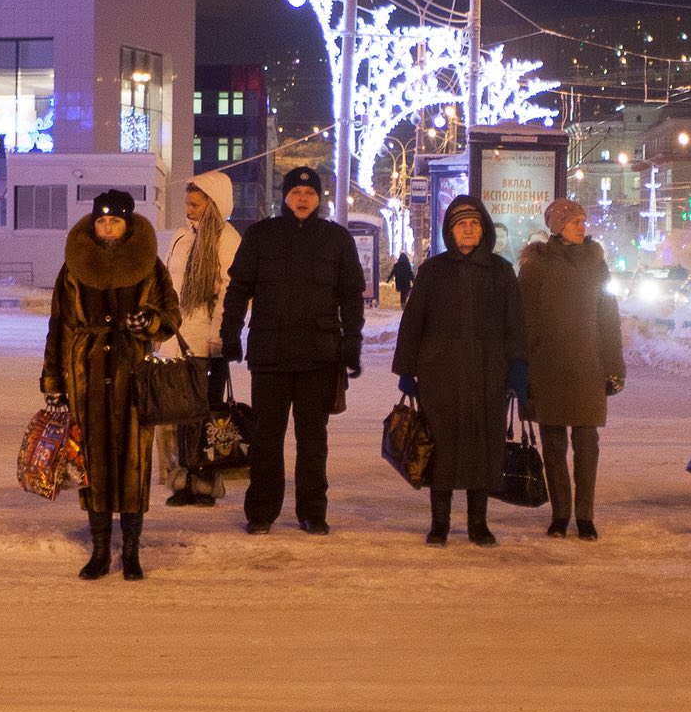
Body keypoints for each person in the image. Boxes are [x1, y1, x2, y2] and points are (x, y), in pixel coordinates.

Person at [41, 190, 181, 581]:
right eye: (102, 221)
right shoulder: (73, 268)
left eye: (114, 221)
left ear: (128, 224)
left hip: (133, 372)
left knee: (134, 461)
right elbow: (58, 327)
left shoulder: (150, 266)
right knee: (94, 462)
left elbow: (172, 315)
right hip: (85, 374)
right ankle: (100, 548)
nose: (107, 227)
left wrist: (148, 323)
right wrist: (54, 381)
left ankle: (132, 550)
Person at [220, 166, 365, 535]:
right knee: (266, 438)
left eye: (310, 194)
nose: (303, 199)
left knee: (313, 440)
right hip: (270, 354)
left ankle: (313, 512)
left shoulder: (336, 240)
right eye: (297, 193)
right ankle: (262, 511)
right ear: (284, 196)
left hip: (319, 355)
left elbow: (351, 296)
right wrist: (230, 333)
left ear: (319, 199)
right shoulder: (260, 236)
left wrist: (352, 342)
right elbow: (238, 289)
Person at [392, 195, 528, 546]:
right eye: (460, 224)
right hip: (441, 375)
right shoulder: (433, 271)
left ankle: (478, 524)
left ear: (483, 229)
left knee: (483, 447)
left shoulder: (501, 271)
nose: (467, 229)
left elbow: (515, 324)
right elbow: (413, 324)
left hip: (488, 374)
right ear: (450, 231)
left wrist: (516, 368)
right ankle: (439, 524)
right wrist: (407, 370)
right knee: (442, 447)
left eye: (473, 223)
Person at [516, 197, 624, 541]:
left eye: (583, 221)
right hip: (547, 366)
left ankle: (585, 516)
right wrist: (522, 369)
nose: (583, 227)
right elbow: (525, 321)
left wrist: (614, 365)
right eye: (576, 221)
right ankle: (560, 514)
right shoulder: (536, 265)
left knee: (587, 443)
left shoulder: (596, 265)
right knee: (553, 444)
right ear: (559, 226)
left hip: (588, 365)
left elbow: (609, 318)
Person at [161, 171, 242, 506]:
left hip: (207, 341)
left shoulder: (227, 239)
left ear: (214, 204)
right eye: (188, 203)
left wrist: (219, 335)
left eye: (196, 204)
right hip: (176, 338)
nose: (189, 210)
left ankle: (205, 481)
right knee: (179, 413)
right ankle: (182, 478)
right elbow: (168, 284)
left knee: (207, 413)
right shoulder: (181, 236)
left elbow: (229, 292)